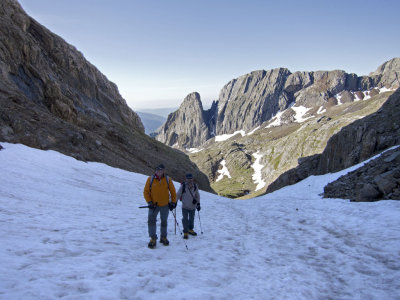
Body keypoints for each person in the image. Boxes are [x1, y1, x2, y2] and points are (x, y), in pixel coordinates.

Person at [143, 164, 177, 248]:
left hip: (165, 205)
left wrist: (173, 202)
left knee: (164, 221)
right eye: (157, 170)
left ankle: (163, 237)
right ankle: (153, 238)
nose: (158, 171)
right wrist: (149, 202)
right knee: (151, 221)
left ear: (164, 171)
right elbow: (146, 192)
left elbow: (173, 191)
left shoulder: (168, 180)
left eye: (160, 170)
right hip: (153, 205)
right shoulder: (150, 179)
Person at [176, 173, 201, 239]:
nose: (189, 180)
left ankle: (190, 229)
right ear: (186, 179)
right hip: (185, 206)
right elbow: (178, 194)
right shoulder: (183, 186)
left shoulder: (195, 186)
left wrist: (198, 204)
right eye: (188, 179)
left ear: (192, 179)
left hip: (193, 206)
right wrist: (174, 202)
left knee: (191, 219)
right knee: (185, 219)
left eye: (190, 178)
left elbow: (197, 195)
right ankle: (185, 231)